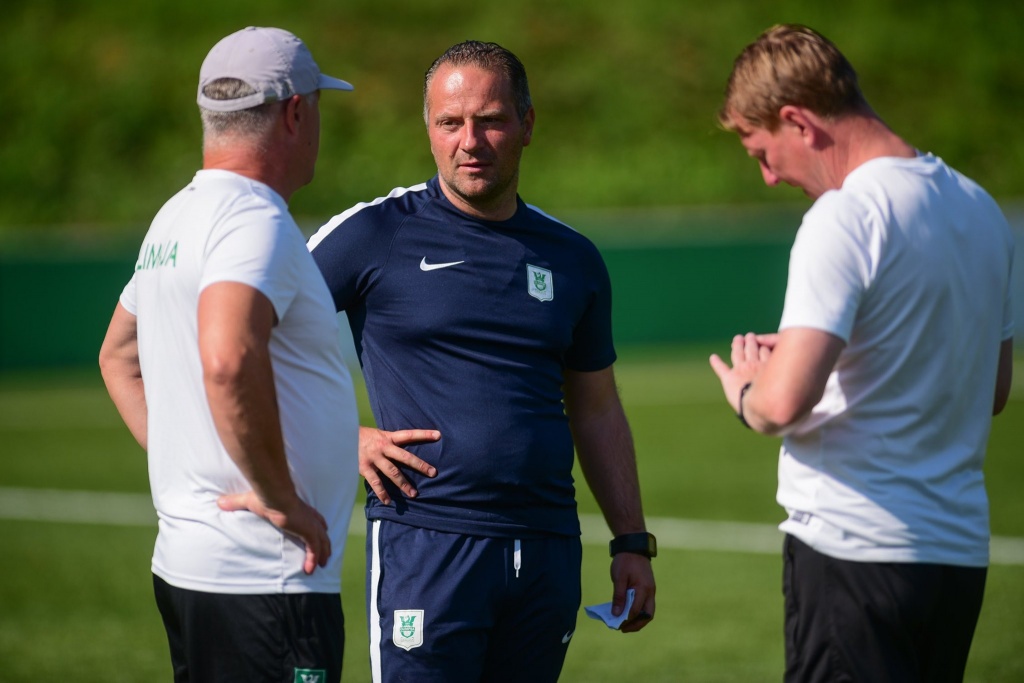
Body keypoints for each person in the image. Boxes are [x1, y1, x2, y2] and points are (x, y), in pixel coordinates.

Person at [307, 40, 656, 682]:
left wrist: (631, 541)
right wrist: (337, 436)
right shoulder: (374, 233)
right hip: (427, 539)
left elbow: (597, 409)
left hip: (548, 545)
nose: (470, 142)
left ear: (527, 123)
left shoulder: (573, 258)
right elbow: (251, 339)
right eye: (450, 122)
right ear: (428, 129)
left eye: (490, 120)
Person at [709, 24, 1015, 683]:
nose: (768, 176)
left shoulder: (845, 216)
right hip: (956, 557)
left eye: (762, 151)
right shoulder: (982, 210)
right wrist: (834, 351)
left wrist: (746, 388)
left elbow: (780, 406)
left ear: (798, 121)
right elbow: (991, 389)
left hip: (853, 553)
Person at [98, 26, 360, 683]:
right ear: (296, 113)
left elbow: (117, 356)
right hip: (265, 577)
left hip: (193, 566)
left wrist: (190, 464)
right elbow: (228, 357)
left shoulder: (174, 215)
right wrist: (279, 497)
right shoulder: (254, 220)